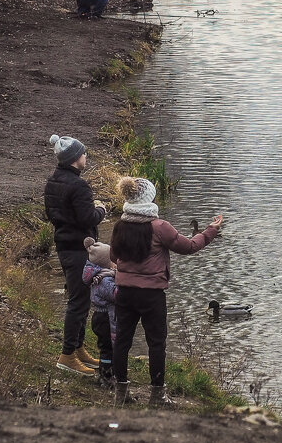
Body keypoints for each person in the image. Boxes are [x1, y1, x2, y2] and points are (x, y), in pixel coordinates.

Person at [110, 177, 222, 405]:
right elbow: (189, 247)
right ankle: (157, 396)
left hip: (124, 292)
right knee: (156, 343)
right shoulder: (160, 227)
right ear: (148, 199)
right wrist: (210, 231)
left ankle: (120, 394)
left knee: (122, 341)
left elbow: (113, 257)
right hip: (151, 295)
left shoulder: (120, 225)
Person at [44, 134, 108, 375]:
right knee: (78, 303)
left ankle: (79, 349)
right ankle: (67, 355)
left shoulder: (53, 181)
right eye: (83, 153)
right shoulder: (79, 185)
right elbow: (88, 218)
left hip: (64, 246)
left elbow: (53, 215)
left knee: (80, 299)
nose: (85, 156)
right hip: (79, 249)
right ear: (73, 159)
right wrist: (101, 209)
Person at [82, 236, 118, 386]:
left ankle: (108, 373)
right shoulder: (103, 280)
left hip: (100, 316)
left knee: (106, 347)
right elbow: (115, 295)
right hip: (105, 318)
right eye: (112, 259)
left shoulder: (99, 275)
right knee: (107, 348)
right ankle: (106, 375)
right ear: (105, 262)